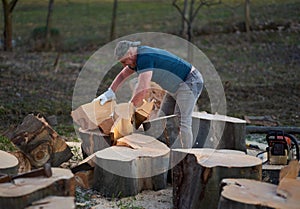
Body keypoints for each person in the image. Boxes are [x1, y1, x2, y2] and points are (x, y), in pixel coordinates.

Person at [94, 40, 203, 148]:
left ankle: (186, 155)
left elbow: (143, 89)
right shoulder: (134, 59)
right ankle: (168, 151)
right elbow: (122, 75)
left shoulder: (145, 57)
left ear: (130, 54)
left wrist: (129, 109)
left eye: (124, 61)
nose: (124, 65)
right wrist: (110, 92)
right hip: (175, 86)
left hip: (189, 81)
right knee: (162, 119)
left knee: (182, 120)